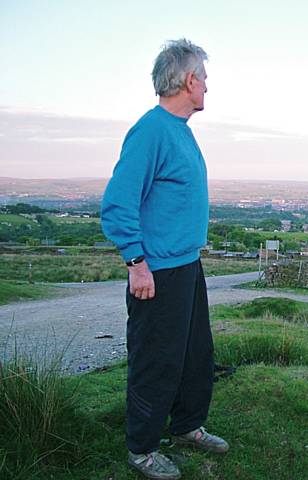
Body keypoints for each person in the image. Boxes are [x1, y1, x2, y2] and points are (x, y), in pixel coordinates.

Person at [101, 38, 228, 480]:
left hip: (185, 264)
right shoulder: (151, 130)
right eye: (205, 79)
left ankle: (188, 425)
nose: (208, 88)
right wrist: (136, 262)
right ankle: (142, 449)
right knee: (157, 358)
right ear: (189, 80)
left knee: (195, 354)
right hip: (156, 270)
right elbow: (118, 202)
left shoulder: (180, 130)